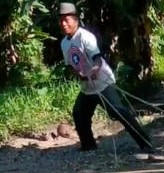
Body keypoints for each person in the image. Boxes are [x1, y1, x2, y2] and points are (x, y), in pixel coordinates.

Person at [58, 2, 154, 153]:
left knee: (118, 112)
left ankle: (145, 143)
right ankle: (88, 145)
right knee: (79, 113)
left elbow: (97, 59)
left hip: (102, 82)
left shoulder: (85, 37)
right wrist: (79, 74)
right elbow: (71, 65)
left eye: (67, 20)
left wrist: (93, 71)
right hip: (87, 86)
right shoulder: (64, 43)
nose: (64, 24)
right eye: (61, 20)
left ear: (75, 20)